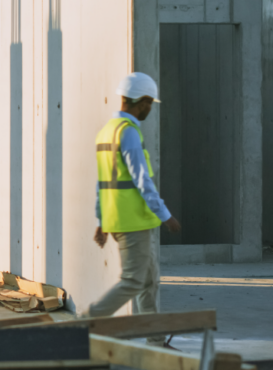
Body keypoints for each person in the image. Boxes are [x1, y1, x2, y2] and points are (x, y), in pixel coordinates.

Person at [86, 72, 182, 347]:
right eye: (149, 103)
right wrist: (166, 215)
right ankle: (84, 322)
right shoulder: (128, 132)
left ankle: (155, 338)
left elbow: (102, 184)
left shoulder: (108, 130)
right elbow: (142, 179)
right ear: (139, 101)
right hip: (133, 221)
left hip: (123, 219)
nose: (150, 109)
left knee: (148, 281)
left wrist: (102, 220)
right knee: (132, 281)